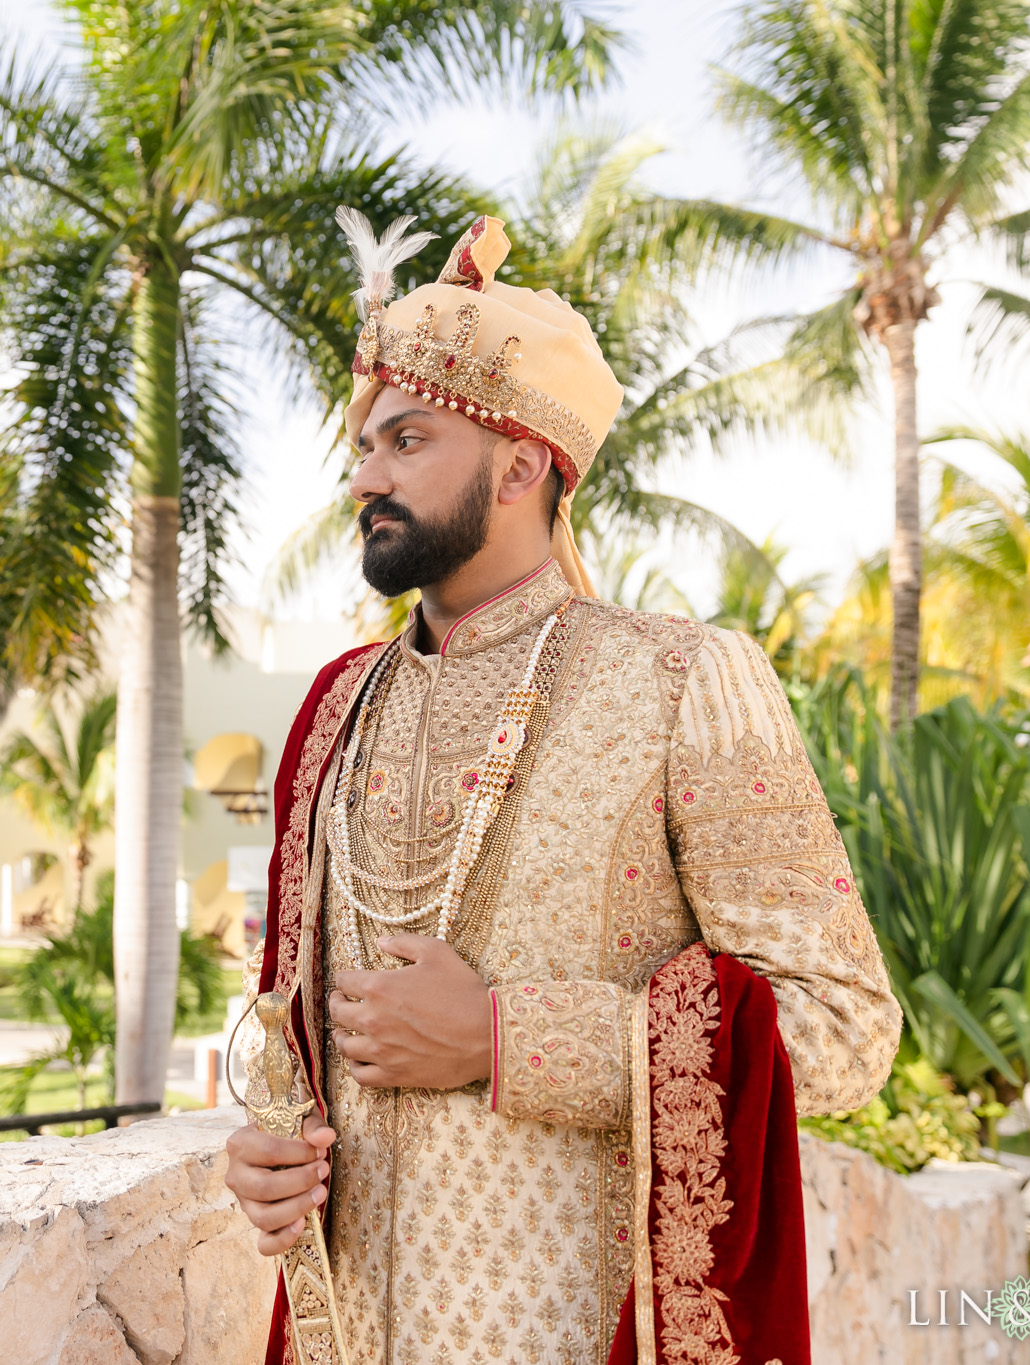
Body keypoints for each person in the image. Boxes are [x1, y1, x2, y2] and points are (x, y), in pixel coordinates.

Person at [223, 214, 901, 1365]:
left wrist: (501, 1038)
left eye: (405, 441)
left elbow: (841, 1034)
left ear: (523, 462)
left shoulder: (683, 680)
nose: (362, 479)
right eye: (361, 448)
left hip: (579, 1331)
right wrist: (267, 1153)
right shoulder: (334, 707)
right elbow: (292, 1043)